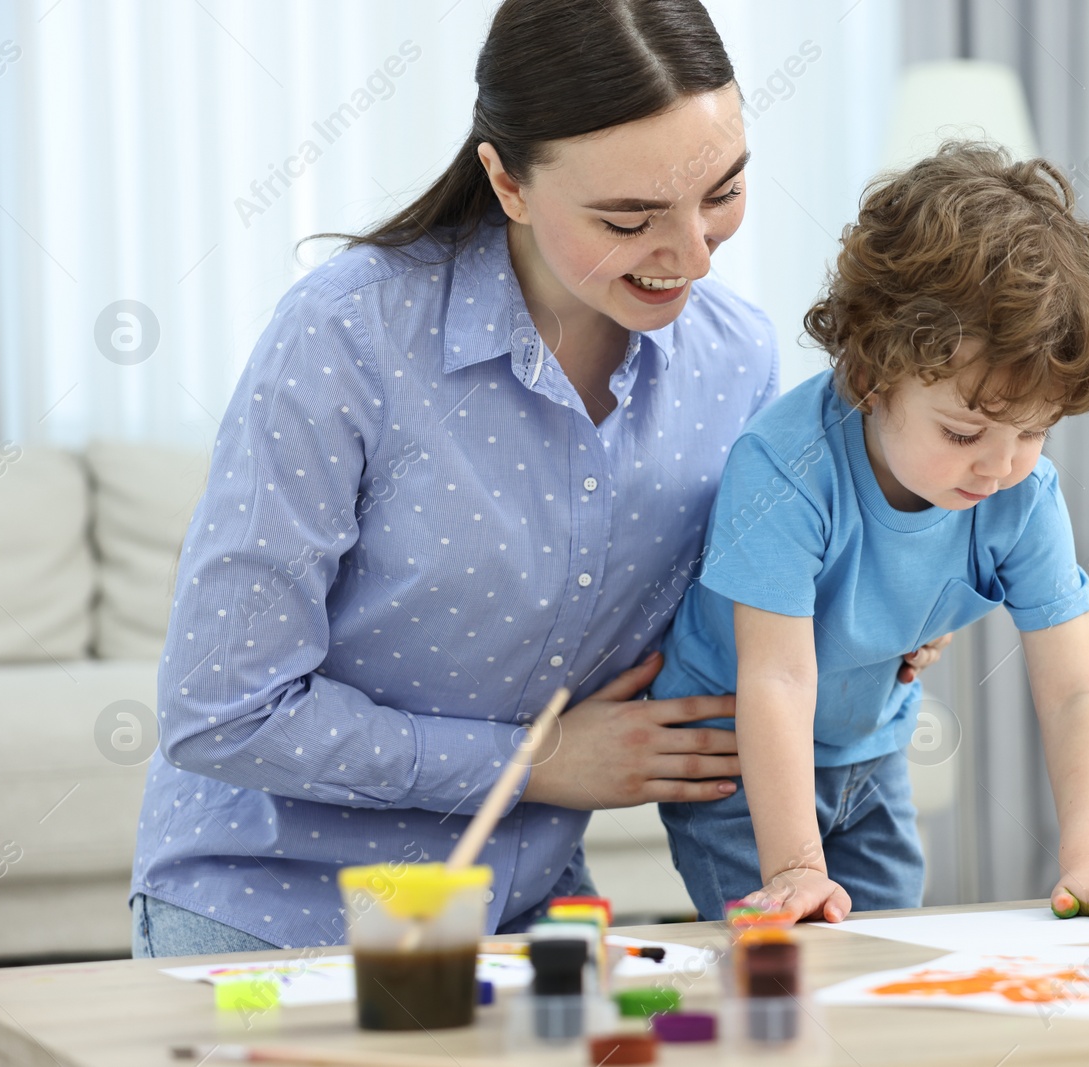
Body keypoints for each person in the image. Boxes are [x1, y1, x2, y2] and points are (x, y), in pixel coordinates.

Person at [129, 0, 946, 957]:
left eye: (721, 192)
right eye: (629, 218)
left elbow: (735, 619)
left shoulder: (736, 363)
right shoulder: (346, 337)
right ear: (507, 181)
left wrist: (864, 610)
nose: (690, 254)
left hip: (527, 910)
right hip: (272, 910)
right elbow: (221, 710)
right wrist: (534, 761)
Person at [654, 142, 1089, 927]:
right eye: (964, 430)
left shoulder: (1020, 488)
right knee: (786, 964)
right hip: (735, 763)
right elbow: (776, 682)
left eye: (1034, 430)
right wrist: (797, 865)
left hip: (870, 750)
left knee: (889, 964)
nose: (1001, 466)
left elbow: (1075, 687)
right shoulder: (784, 465)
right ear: (872, 375)